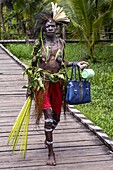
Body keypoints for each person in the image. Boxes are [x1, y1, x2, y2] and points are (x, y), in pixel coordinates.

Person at [27, 3, 89, 166]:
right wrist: (30, 88)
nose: (50, 28)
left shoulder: (62, 43)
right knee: (48, 118)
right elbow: (32, 66)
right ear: (44, 28)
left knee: (56, 117)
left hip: (57, 83)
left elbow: (62, 62)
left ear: (56, 27)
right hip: (42, 83)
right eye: (47, 26)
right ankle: (51, 153)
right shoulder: (39, 44)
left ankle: (48, 136)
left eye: (52, 26)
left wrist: (76, 64)